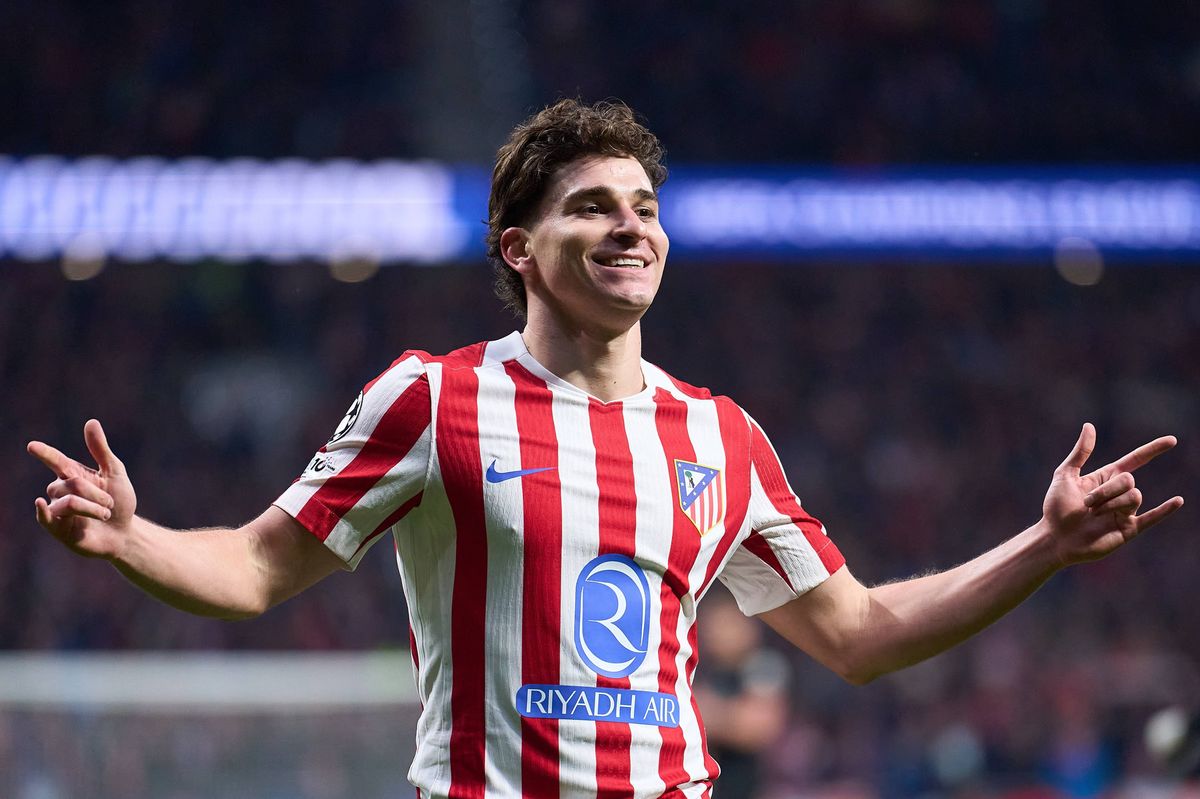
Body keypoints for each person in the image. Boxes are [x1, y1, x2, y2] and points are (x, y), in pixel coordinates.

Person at [27, 99, 1183, 799]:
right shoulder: (433, 400)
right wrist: (132, 538)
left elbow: (861, 636)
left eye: (644, 205)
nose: (631, 225)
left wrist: (1041, 546)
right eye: (593, 205)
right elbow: (257, 568)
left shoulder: (721, 437)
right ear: (520, 248)